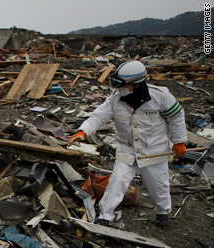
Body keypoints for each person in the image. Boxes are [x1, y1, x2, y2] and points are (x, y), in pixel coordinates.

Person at [68, 60, 187, 228]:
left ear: (137, 84)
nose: (119, 88)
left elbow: (176, 117)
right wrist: (83, 131)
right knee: (117, 181)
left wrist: (179, 141)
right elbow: (98, 117)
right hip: (127, 149)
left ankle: (162, 212)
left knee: (158, 183)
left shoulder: (160, 96)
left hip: (154, 149)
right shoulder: (115, 100)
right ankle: (105, 216)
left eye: (123, 84)